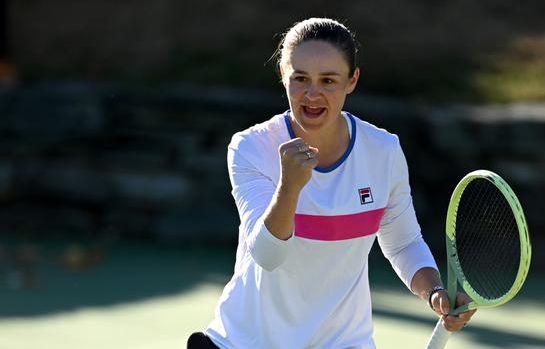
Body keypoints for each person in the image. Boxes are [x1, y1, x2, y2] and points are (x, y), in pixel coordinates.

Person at [187, 17, 475, 349]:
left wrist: (435, 292)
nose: (312, 94)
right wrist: (290, 187)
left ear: (352, 80)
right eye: (300, 78)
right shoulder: (251, 147)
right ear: (283, 75)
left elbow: (403, 244)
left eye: (328, 80)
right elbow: (267, 254)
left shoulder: (383, 151)